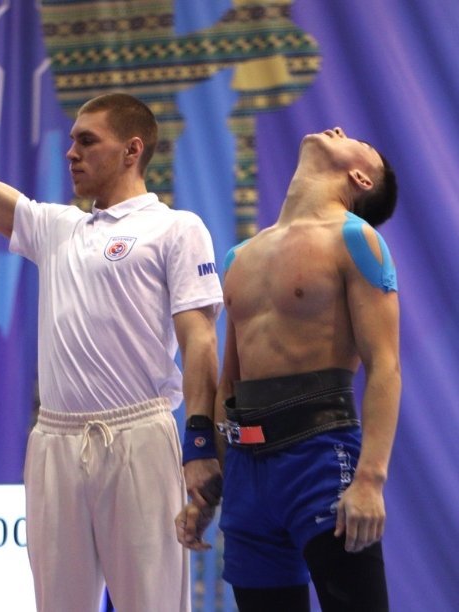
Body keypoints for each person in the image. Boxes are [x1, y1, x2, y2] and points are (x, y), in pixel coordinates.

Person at [0, 35, 223, 612]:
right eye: (71, 140)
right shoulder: (56, 227)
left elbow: (199, 342)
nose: (70, 153)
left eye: (86, 141)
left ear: (132, 150)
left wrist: (199, 444)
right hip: (53, 442)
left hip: (140, 437)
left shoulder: (176, 228)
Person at [176, 127, 400, 611]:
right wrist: (210, 488)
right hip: (246, 474)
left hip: (320, 459)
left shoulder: (356, 239)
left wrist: (370, 480)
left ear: (360, 178)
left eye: (358, 141)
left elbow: (385, 365)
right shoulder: (241, 256)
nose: (338, 130)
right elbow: (230, 384)